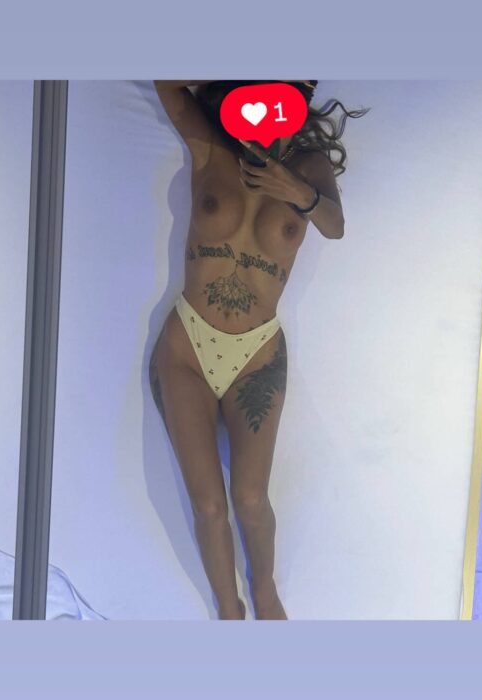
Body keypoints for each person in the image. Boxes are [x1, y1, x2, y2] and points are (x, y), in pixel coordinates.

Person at [149, 80, 369, 619]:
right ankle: (230, 611)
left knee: (249, 500)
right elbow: (166, 83)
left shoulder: (309, 166)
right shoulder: (212, 145)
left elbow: (335, 227)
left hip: (256, 352)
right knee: (208, 504)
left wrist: (296, 191)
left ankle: (264, 588)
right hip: (188, 346)